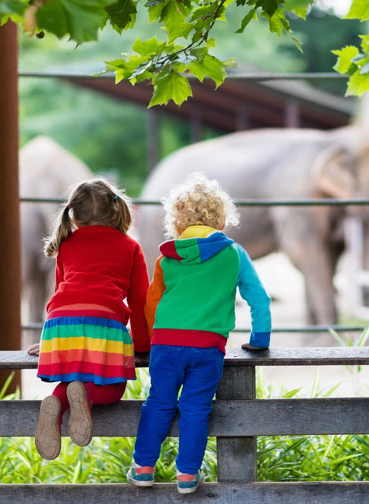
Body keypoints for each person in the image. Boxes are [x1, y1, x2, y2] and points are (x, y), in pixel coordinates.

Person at [126, 173, 271, 494]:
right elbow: (258, 298)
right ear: (221, 217)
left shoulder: (168, 257)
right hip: (208, 347)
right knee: (196, 408)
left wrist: (149, 342)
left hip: (165, 344)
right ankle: (187, 475)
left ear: (177, 221)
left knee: (159, 403)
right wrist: (260, 340)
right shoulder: (233, 253)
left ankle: (143, 468)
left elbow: (152, 302)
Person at [27, 178, 150, 460]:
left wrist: (49, 342)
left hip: (59, 326)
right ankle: (87, 395)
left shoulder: (66, 245)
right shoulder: (130, 247)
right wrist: (142, 344)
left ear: (75, 216)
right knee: (112, 390)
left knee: (72, 379)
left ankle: (56, 403)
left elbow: (61, 295)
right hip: (104, 323)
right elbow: (140, 301)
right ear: (116, 211)